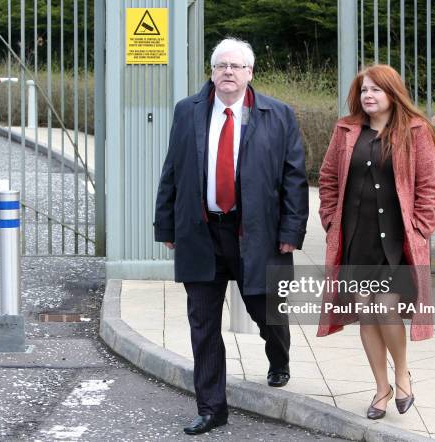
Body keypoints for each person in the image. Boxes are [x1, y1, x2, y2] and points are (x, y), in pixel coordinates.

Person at [154, 37, 308, 435]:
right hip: (202, 233)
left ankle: (279, 356)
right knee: (203, 324)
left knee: (268, 312)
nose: (227, 72)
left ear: (249, 73)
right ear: (212, 71)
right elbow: (173, 169)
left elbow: (294, 179)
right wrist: (166, 225)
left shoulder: (278, 115)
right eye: (221, 65)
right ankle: (211, 408)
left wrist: (292, 231)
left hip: (257, 235)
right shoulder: (188, 112)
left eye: (236, 66)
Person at [317, 64, 435, 420]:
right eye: (364, 90)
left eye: (376, 90)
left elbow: (430, 186)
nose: (368, 96)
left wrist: (421, 226)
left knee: (385, 308)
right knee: (367, 314)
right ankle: (380, 388)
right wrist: (329, 219)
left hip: (397, 240)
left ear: (393, 93)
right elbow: (328, 177)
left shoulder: (415, 131)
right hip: (357, 238)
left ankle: (402, 374)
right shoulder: (346, 130)